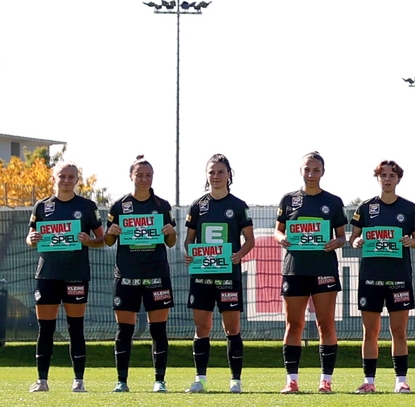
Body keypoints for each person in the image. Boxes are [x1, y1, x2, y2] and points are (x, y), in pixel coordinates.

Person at [25, 160, 104, 392]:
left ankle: (78, 381)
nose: (67, 181)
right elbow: (30, 237)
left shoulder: (87, 206)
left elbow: (104, 238)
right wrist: (32, 239)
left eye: (71, 177)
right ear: (54, 178)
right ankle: (42, 381)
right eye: (62, 176)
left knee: (75, 327)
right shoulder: (41, 206)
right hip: (47, 275)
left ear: (77, 180)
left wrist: (89, 241)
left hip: (76, 275)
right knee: (45, 328)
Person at [103, 156, 178, 393]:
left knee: (158, 330)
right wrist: (111, 232)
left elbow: (171, 242)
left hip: (156, 274)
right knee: (124, 330)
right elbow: (107, 240)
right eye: (140, 175)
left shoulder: (162, 205)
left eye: (148, 175)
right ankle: (121, 381)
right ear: (131, 176)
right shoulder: (119, 206)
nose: (144, 179)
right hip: (127, 276)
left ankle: (159, 380)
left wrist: (170, 232)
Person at [274, 152, 347, 394]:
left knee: (325, 324)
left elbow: (342, 237)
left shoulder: (334, 202)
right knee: (293, 324)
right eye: (307, 169)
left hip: (323, 269)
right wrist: (282, 238)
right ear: (300, 170)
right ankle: (291, 380)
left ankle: (325, 380)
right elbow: (278, 231)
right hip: (294, 269)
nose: (311, 174)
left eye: (316, 170)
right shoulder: (288, 199)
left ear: (323, 172)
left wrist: (335, 243)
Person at [349, 160, 415, 393]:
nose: (387, 179)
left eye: (392, 175)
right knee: (370, 332)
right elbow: (354, 238)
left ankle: (401, 380)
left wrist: (413, 241)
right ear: (378, 178)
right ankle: (369, 381)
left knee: (398, 331)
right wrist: (357, 241)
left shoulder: (408, 208)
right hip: (370, 278)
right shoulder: (365, 207)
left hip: (399, 277)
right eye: (383, 175)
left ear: (398, 179)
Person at [183, 154, 255, 393]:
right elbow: (189, 241)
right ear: (207, 175)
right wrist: (189, 253)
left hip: (228, 276)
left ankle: (235, 380)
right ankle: (200, 379)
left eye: (220, 172)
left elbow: (249, 240)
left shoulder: (237, 206)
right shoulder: (197, 206)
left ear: (229, 175)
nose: (215, 176)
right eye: (211, 172)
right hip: (202, 276)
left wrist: (239, 255)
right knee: (201, 328)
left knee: (231, 328)